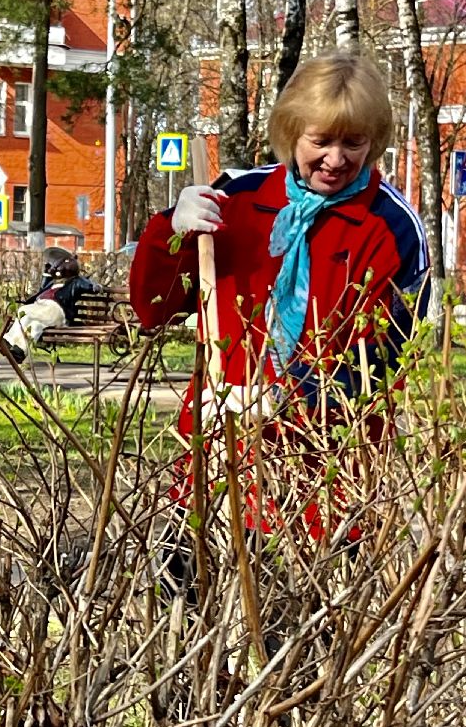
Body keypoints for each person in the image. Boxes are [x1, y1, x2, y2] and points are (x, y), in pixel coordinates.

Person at [130, 50, 429, 542]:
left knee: (311, 615)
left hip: (329, 480)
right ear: (292, 132)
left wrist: (283, 399)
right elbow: (154, 309)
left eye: (353, 142)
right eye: (321, 140)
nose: (336, 159)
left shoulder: (394, 228)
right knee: (187, 607)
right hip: (218, 469)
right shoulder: (235, 199)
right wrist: (170, 233)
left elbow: (386, 358)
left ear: (374, 142)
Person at [3, 247, 105, 362]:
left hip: (56, 310)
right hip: (43, 309)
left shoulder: (75, 281)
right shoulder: (53, 283)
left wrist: (95, 287)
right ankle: (19, 351)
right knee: (34, 324)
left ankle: (8, 340)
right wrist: (46, 272)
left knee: (24, 311)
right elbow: (42, 287)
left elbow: (87, 285)